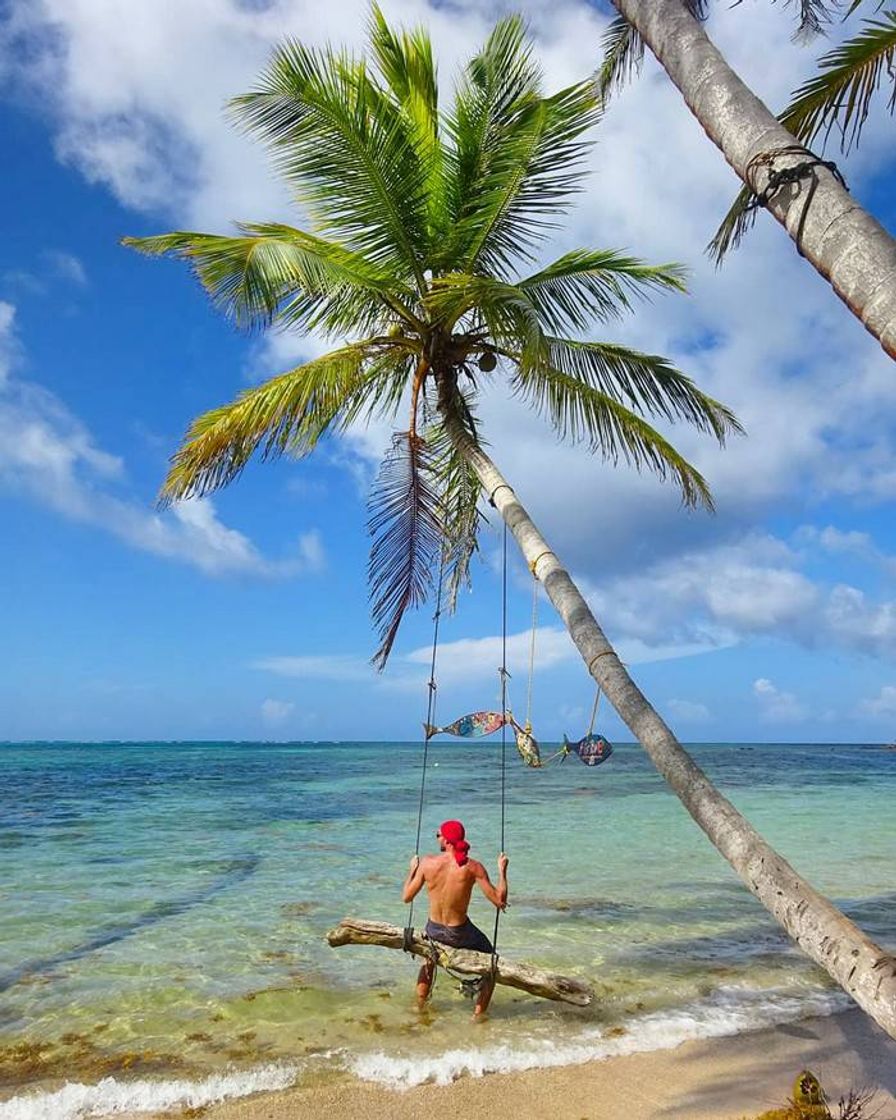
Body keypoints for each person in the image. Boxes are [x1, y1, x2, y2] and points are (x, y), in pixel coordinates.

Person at [402, 819, 509, 1017]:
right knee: (492, 964)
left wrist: (412, 869)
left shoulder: (426, 864)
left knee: (428, 961)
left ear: (448, 840)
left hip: (433, 930)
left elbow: (406, 897)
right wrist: (502, 871)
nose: (437, 838)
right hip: (459, 933)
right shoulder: (472, 867)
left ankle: (419, 1006)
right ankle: (478, 1017)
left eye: (438, 835)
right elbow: (499, 901)